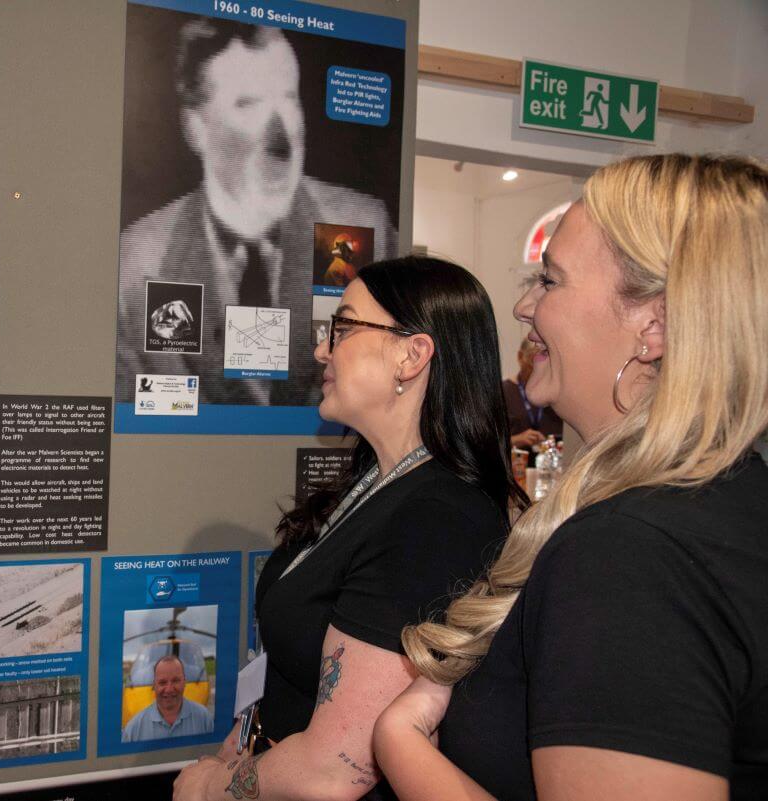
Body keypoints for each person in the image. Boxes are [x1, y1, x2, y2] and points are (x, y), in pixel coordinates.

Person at [374, 154, 768, 801]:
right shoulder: (726, 502)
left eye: (550, 281)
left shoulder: (634, 551)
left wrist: (400, 742)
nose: (526, 306)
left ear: (655, 326)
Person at [174, 256, 525, 801]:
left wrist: (213, 790)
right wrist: (236, 750)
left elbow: (337, 770)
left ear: (412, 355)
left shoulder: (436, 519)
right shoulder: (374, 485)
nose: (322, 349)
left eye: (342, 327)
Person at [116, 17, 397, 407]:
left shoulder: (366, 230)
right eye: (248, 104)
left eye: (289, 98)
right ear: (196, 128)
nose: (282, 135)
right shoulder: (136, 263)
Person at [122, 655, 214, 743]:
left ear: (184, 682)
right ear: (154, 685)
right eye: (162, 682)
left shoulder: (205, 719)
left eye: (175, 681)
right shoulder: (133, 730)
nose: (169, 689)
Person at [502, 339, 563, 450]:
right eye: (533, 361)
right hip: (516, 463)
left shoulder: (558, 391)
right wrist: (516, 440)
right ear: (520, 357)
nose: (538, 368)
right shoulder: (503, 392)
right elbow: (485, 444)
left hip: (554, 464)